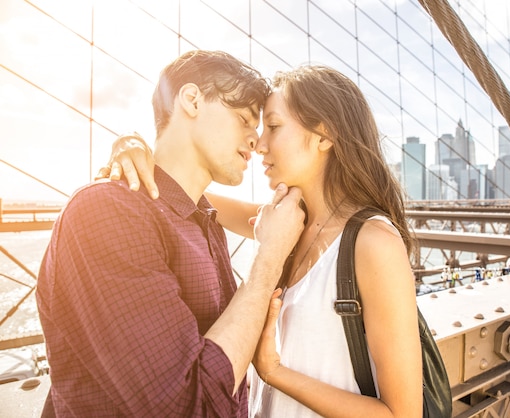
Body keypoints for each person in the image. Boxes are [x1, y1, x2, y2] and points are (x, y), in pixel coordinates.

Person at [106, 64, 423, 417]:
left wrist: (275, 373)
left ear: (323, 135)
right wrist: (134, 147)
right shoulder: (286, 223)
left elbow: (402, 414)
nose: (258, 144)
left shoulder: (373, 243)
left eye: (272, 126)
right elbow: (179, 193)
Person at [36, 50, 305, 417]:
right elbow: (184, 407)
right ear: (192, 100)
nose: (256, 143)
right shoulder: (107, 212)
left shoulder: (203, 222)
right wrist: (269, 257)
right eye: (244, 119)